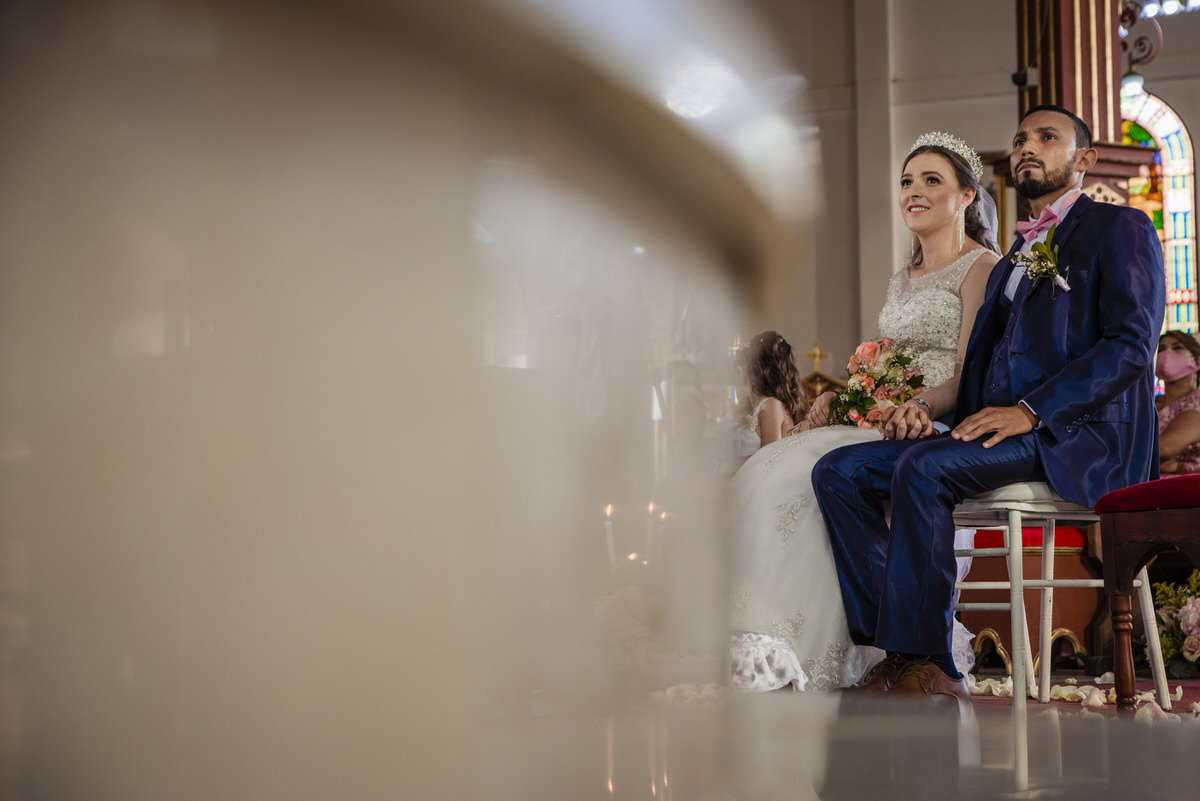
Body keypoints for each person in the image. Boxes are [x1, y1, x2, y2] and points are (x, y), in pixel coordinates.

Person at [812, 104, 1166, 701]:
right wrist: (929, 413)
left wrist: (1031, 411)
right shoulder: (1012, 262)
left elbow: (1132, 347)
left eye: (1047, 138)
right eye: (1021, 138)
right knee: (839, 472)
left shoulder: (1119, 229)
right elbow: (979, 364)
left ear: (1083, 160)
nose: (1028, 146)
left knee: (923, 472)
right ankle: (891, 649)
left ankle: (933, 663)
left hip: (1076, 435)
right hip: (997, 428)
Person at [727, 131, 999, 692]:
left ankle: (870, 642)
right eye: (906, 182)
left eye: (931, 181)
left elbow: (968, 373)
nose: (914, 192)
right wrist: (847, 394)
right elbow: (884, 359)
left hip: (932, 419)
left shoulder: (982, 268)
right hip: (882, 414)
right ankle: (774, 633)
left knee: (808, 473)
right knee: (774, 467)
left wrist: (914, 405)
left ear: (968, 197)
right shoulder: (902, 278)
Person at [736, 331, 808, 449]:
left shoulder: (771, 405)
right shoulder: (763, 404)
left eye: (747, 364)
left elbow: (769, 457)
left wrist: (728, 462)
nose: (745, 368)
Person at [1156, 331, 1200, 474]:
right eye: (1161, 349)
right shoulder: (1151, 404)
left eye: (1177, 348)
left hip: (1181, 489)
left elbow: (1165, 447)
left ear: (1197, 361)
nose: (1167, 355)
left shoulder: (1196, 400)